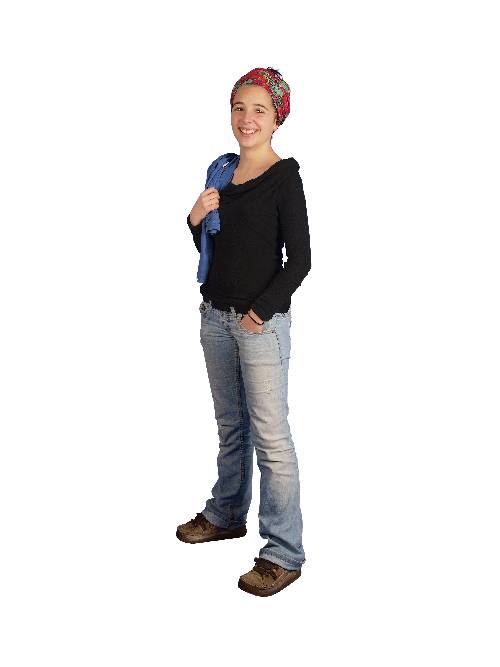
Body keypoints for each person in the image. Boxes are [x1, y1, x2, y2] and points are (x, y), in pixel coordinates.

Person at [177, 67, 311, 597]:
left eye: (259, 110)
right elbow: (216, 249)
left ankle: (283, 553)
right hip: (214, 317)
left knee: (271, 439)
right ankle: (227, 513)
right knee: (231, 427)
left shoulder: (284, 178)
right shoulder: (222, 173)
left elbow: (300, 260)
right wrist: (194, 219)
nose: (247, 118)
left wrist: (261, 312)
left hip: (260, 325)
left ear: (277, 119)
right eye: (239, 108)